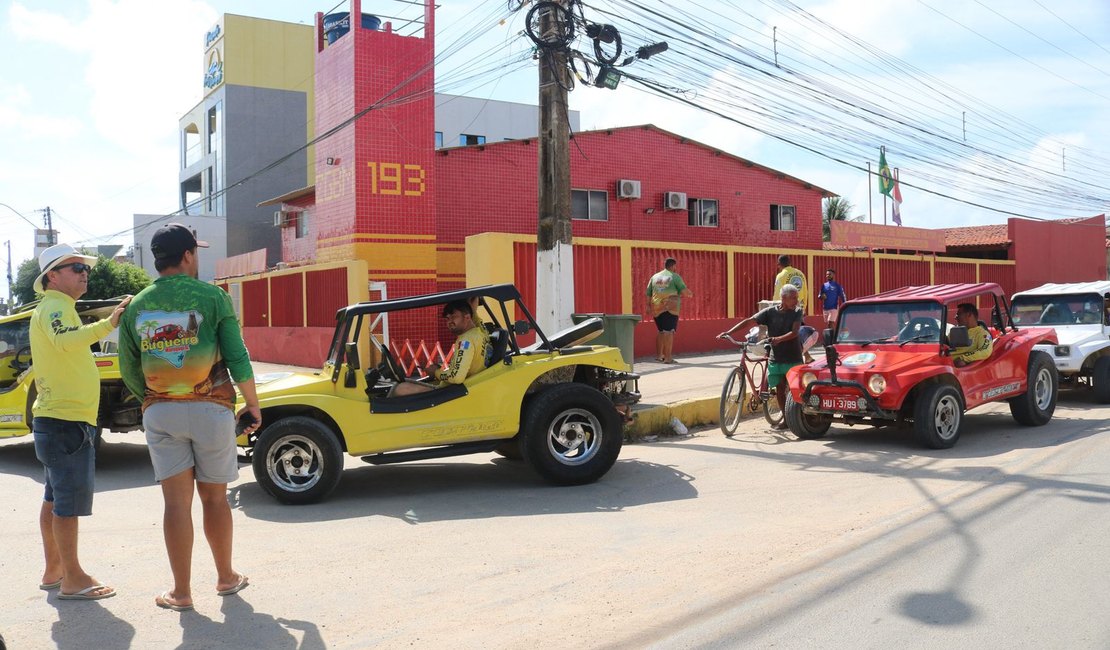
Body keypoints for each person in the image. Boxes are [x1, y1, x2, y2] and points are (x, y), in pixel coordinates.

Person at [118, 224, 258, 612]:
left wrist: (152, 397)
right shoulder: (212, 296)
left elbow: (128, 366)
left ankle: (181, 593)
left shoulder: (136, 305)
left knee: (175, 504)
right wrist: (253, 403)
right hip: (212, 409)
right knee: (215, 499)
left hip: (161, 412)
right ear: (188, 256)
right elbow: (237, 357)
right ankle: (226, 578)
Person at [30, 243, 130, 601]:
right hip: (65, 421)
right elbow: (64, 340)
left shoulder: (58, 307)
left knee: (54, 499)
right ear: (52, 277)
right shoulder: (56, 307)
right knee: (66, 505)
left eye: (83, 267)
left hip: (59, 420)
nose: (83, 272)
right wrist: (108, 323)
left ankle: (55, 569)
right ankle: (72, 578)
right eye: (74, 267)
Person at [718, 284, 804, 429]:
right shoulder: (770, 312)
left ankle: (798, 418)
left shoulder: (797, 311)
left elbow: (795, 332)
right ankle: (786, 419)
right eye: (793, 298)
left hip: (793, 357)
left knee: (793, 389)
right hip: (776, 357)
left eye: (796, 297)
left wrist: (779, 339)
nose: (796, 301)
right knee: (780, 389)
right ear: (783, 298)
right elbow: (749, 321)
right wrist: (729, 332)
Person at [392, 299, 490, 396]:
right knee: (404, 382)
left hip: (453, 392)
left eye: (453, 316)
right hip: (457, 387)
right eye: (447, 318)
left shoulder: (466, 341)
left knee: (400, 389)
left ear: (467, 317)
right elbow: (473, 312)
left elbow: (456, 377)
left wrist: (435, 372)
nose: (449, 321)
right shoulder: (482, 331)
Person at [646, 257, 693, 364]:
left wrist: (648, 306)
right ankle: (668, 358)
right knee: (669, 332)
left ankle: (659, 356)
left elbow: (648, 293)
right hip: (670, 308)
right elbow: (685, 291)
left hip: (656, 308)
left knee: (661, 331)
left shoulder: (655, 277)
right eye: (675, 266)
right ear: (672, 266)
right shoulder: (674, 277)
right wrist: (690, 294)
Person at [951, 302, 993, 367]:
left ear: (969, 314)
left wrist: (963, 358)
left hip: (957, 368)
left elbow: (985, 351)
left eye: (958, 314)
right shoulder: (955, 331)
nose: (955, 317)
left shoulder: (983, 334)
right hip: (943, 362)